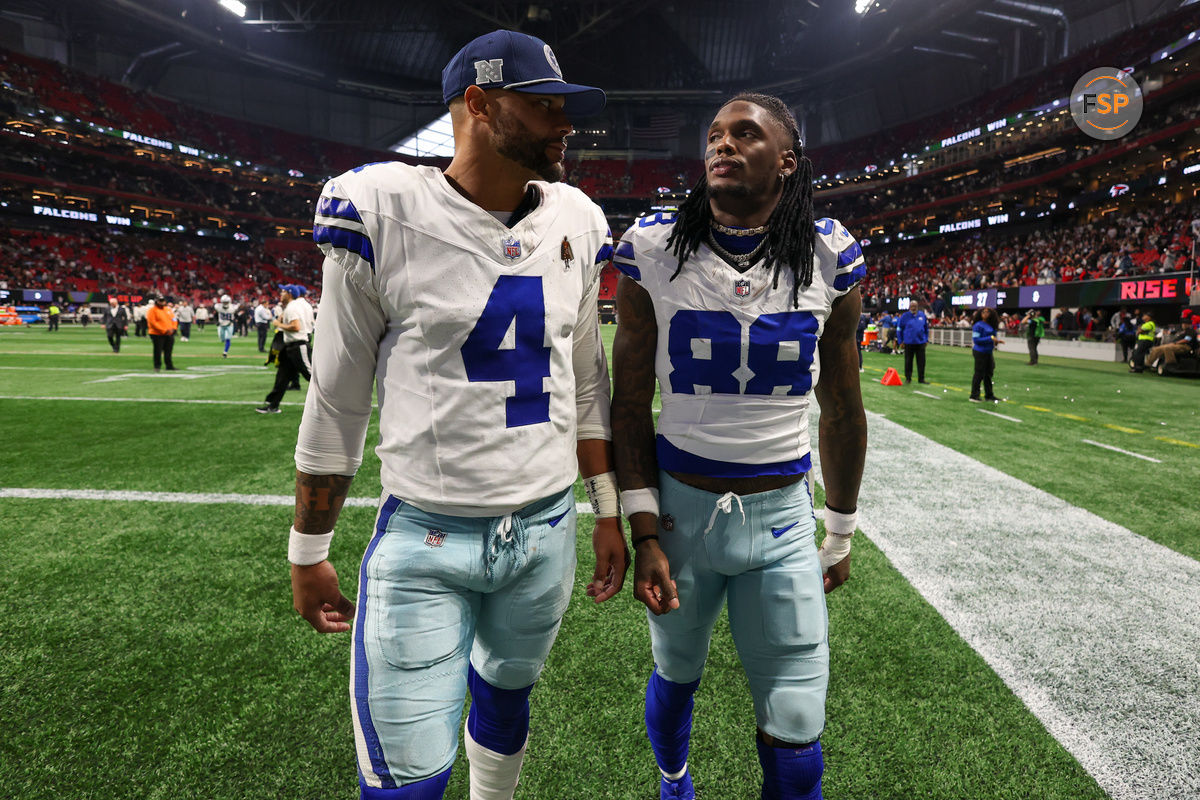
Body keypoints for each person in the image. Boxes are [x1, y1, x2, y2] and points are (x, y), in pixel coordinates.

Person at [286, 29, 627, 800]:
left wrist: (606, 510)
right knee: (407, 784)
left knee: (507, 703)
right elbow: (336, 399)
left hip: (545, 535)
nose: (564, 124)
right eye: (542, 107)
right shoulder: (382, 209)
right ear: (478, 104)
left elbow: (585, 388)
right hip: (425, 540)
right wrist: (307, 551)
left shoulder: (576, 218)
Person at [611, 92, 867, 800]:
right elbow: (629, 404)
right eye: (715, 135)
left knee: (797, 720)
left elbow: (842, 407)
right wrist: (643, 531)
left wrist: (839, 532)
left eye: (744, 134)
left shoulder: (827, 253)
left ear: (786, 160)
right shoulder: (655, 247)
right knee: (675, 672)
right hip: (679, 514)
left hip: (783, 517)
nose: (721, 144)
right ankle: (674, 782)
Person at [255, 285, 313, 413]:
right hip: (291, 346)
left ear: (290, 294)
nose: (280, 294)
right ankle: (273, 405)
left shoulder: (292, 307)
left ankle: (338, 401)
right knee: (282, 377)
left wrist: (278, 324)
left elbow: (296, 326)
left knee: (312, 376)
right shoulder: (298, 306)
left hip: (298, 345)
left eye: (283, 292)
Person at [969, 307, 1003, 402]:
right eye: (983, 312)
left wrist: (996, 341)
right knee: (979, 373)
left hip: (988, 351)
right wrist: (991, 338)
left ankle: (989, 395)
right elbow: (976, 340)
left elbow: (992, 337)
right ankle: (974, 395)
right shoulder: (978, 325)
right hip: (980, 351)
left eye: (988, 312)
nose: (985, 313)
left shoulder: (991, 325)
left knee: (989, 373)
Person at [895, 298, 930, 383]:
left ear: (917, 307)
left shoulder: (922, 315)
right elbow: (899, 329)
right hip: (908, 342)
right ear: (909, 307)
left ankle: (921, 378)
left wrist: (926, 339)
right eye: (912, 306)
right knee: (908, 361)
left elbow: (926, 328)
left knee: (921, 362)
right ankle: (908, 378)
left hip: (920, 342)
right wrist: (900, 341)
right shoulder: (905, 316)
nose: (913, 308)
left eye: (915, 306)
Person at [147, 295, 178, 372]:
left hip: (169, 333)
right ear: (156, 301)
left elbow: (174, 319)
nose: (162, 302)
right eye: (160, 301)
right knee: (158, 350)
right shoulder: (152, 310)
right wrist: (164, 330)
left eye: (163, 301)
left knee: (168, 350)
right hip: (157, 333)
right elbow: (153, 323)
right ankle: (157, 366)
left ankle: (169, 365)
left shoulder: (168, 309)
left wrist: (174, 328)